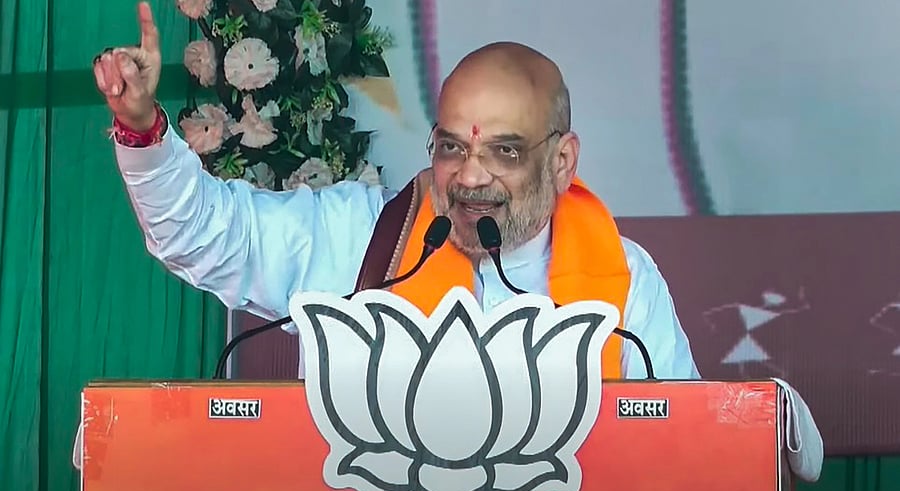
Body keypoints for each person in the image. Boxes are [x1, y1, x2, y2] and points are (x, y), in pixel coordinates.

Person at [93, 2, 699, 379]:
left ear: (563, 161)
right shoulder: (359, 238)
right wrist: (143, 130)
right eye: (453, 146)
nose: (470, 176)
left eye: (505, 152)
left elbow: (691, 445)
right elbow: (201, 235)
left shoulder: (626, 285)